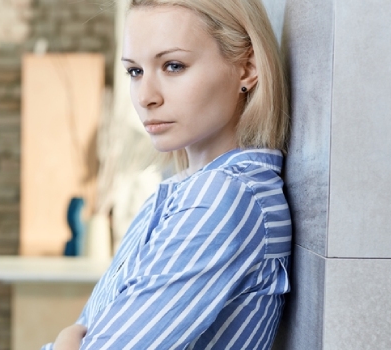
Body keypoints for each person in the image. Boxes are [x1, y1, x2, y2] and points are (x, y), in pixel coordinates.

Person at [39, 0, 291, 348]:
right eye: (134, 71)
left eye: (173, 66)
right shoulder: (184, 190)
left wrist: (66, 339)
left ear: (247, 67)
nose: (145, 97)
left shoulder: (222, 198)